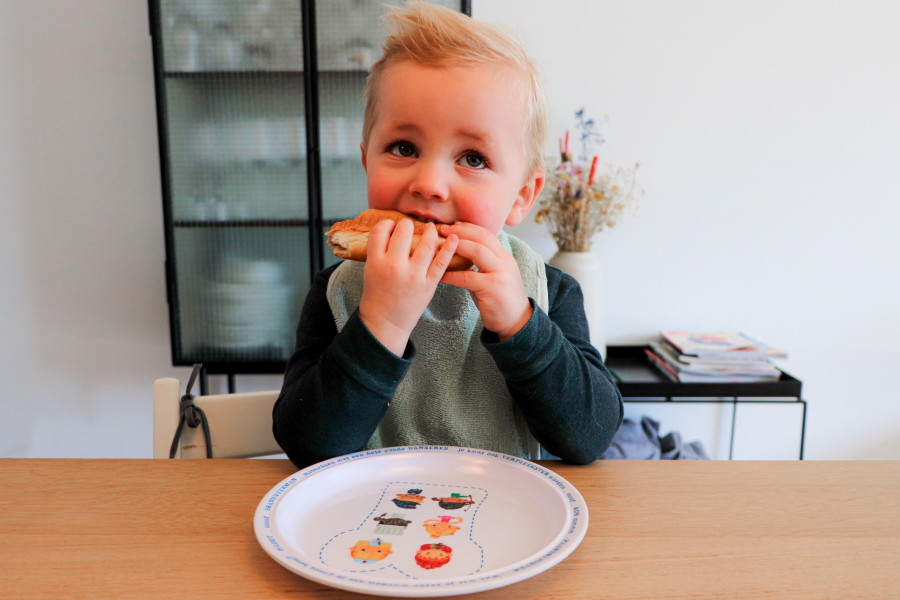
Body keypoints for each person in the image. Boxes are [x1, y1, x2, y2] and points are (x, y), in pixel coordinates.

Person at [273, 1, 622, 468]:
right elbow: (306, 445)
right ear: (366, 160)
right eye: (403, 148)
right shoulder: (339, 291)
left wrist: (520, 324)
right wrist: (382, 322)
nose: (429, 184)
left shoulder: (546, 290)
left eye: (472, 159)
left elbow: (589, 439)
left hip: (503, 522)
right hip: (371, 526)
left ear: (521, 195)